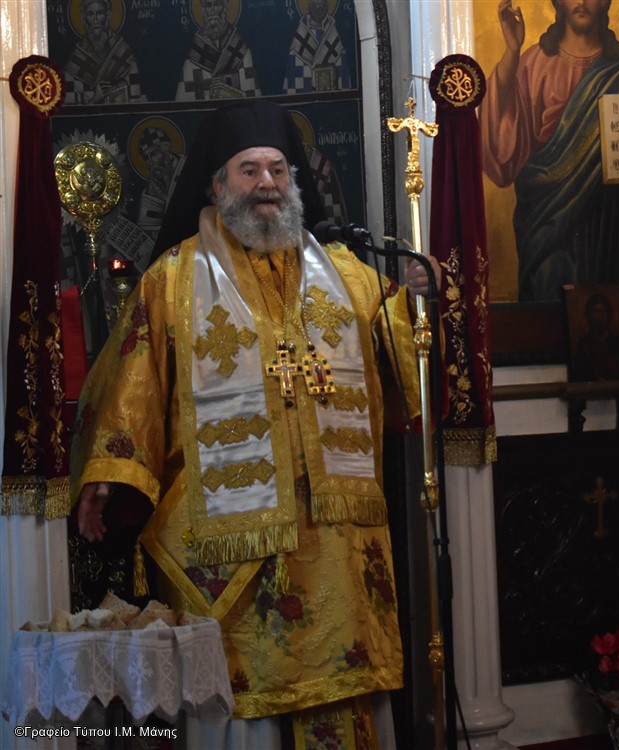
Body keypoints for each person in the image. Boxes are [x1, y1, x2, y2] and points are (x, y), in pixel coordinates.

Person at [70, 100, 438, 748]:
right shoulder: (173, 280)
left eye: (278, 169)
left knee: (343, 686)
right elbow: (134, 385)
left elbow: (406, 366)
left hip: (334, 544)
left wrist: (420, 299)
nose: (267, 182)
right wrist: (110, 471)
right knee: (248, 708)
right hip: (233, 556)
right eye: (249, 170)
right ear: (217, 186)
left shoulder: (347, 274)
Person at [480, 0, 619, 301]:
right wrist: (512, 52)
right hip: (546, 225)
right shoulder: (532, 64)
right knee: (549, 309)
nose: (582, 2)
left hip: (610, 225)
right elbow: (500, 149)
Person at [64, 0, 146, 105]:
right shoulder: (75, 64)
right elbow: (70, 112)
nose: (95, 20)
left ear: (108, 15)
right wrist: (95, 100)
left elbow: (138, 102)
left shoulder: (124, 55)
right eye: (90, 14)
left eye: (100, 13)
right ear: (84, 18)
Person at [176, 0, 260, 100]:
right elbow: (182, 103)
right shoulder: (193, 56)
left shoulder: (241, 50)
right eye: (208, 5)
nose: (212, 11)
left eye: (216, 4)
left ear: (226, 6)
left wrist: (229, 94)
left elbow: (254, 99)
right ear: (202, 10)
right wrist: (209, 95)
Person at [283, 0, 350, 93]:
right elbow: (293, 71)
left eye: (322, 5)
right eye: (316, 5)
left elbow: (342, 68)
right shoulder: (302, 33)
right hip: (305, 95)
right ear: (310, 7)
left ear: (327, 7)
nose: (319, 8)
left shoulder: (332, 31)